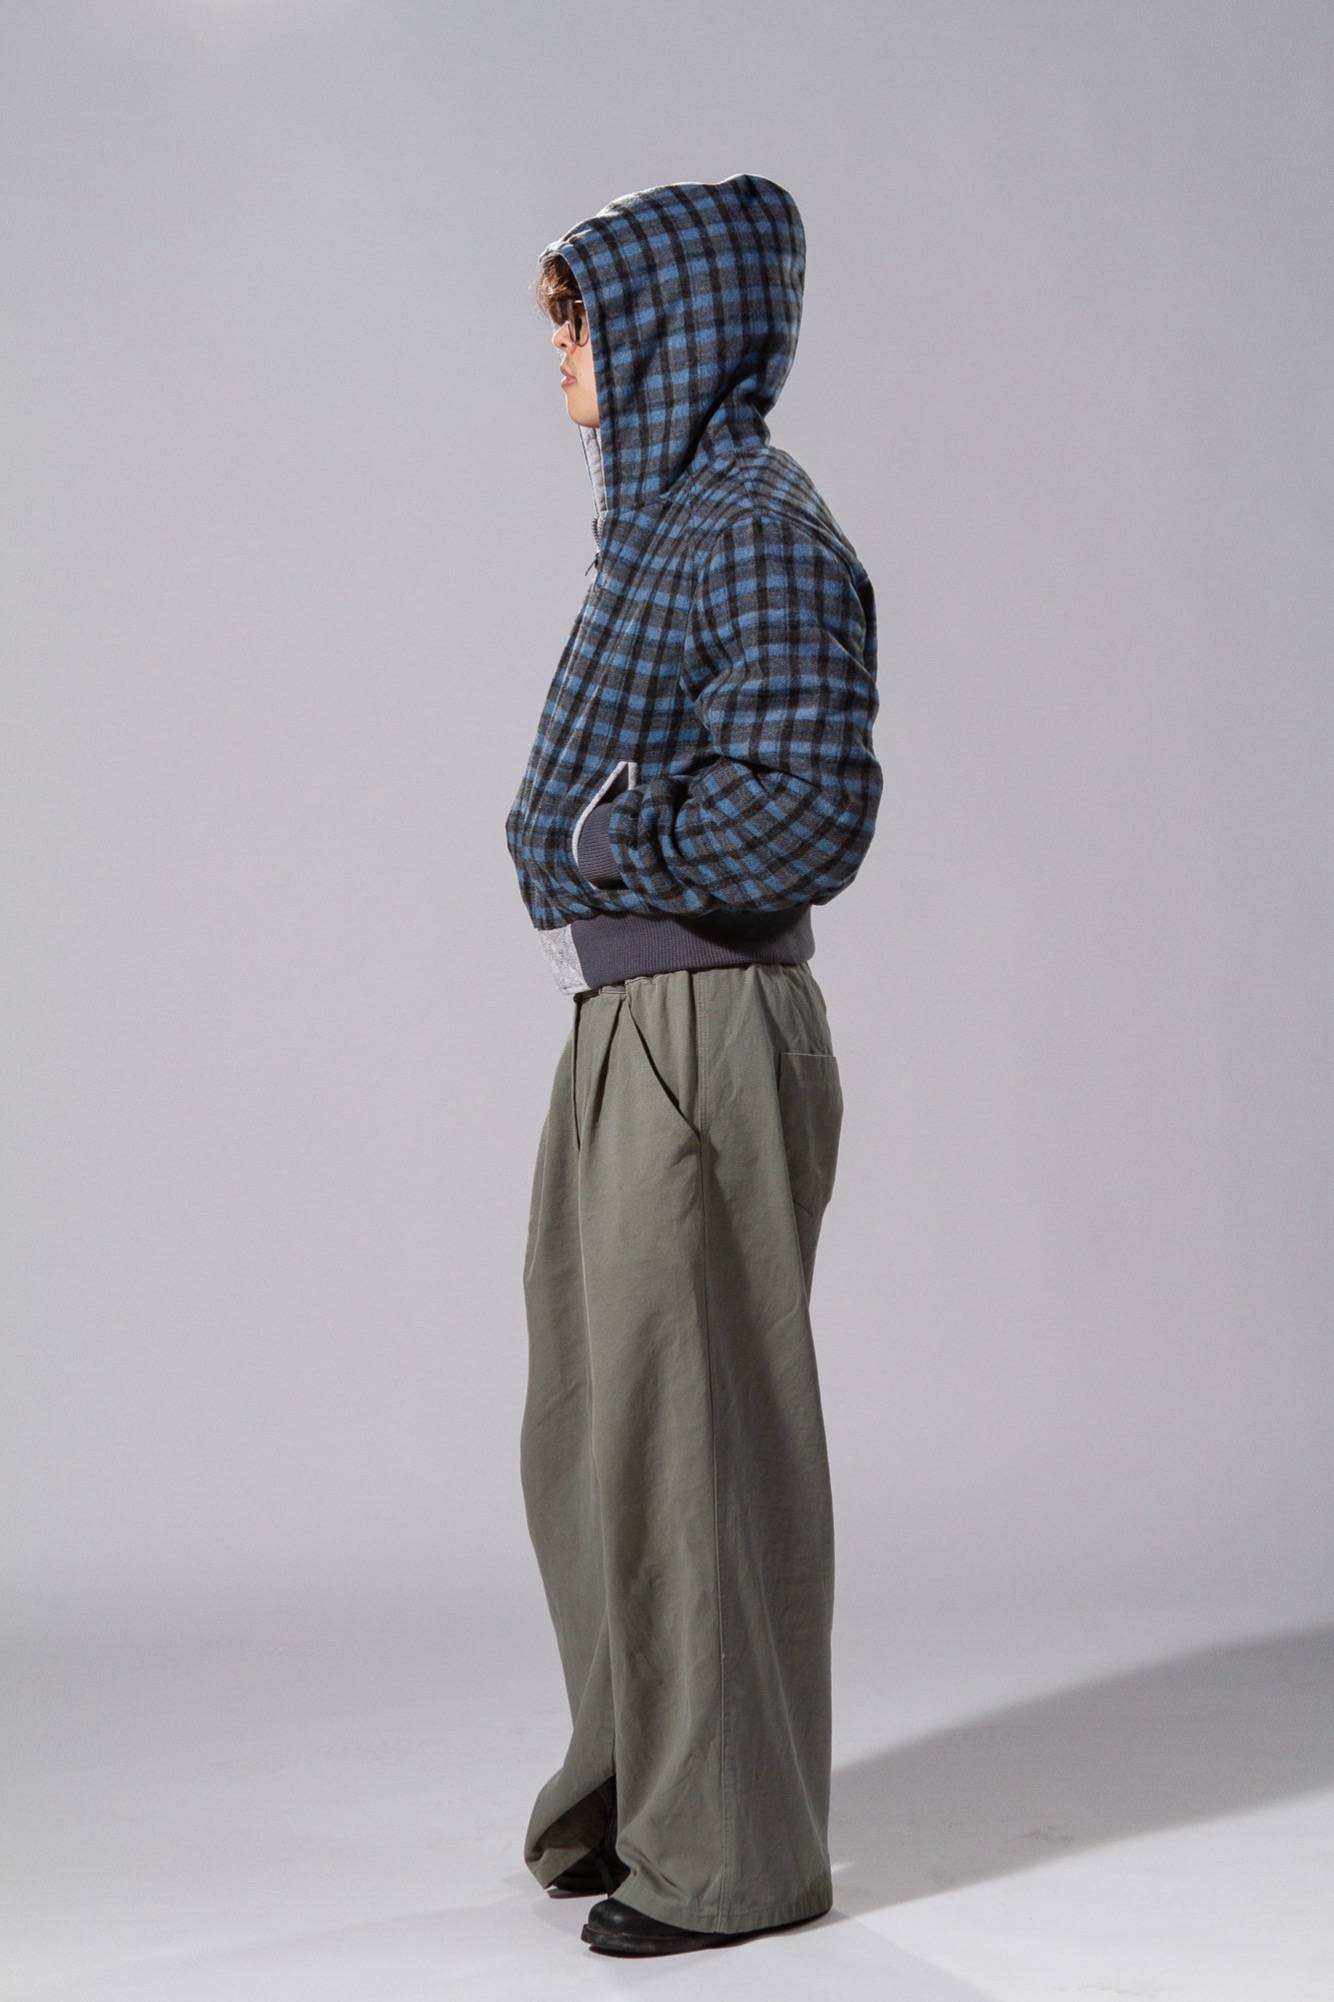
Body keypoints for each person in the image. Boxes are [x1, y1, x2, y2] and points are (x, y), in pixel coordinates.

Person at [505, 173, 883, 1958]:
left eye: (580, 320)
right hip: (625, 1025)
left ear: (673, 323)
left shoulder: (755, 524)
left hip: (702, 1030)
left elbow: (807, 809)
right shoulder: (665, 522)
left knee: (697, 1444)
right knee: (596, 1437)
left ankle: (730, 1860)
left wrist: (606, 834)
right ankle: (638, 1793)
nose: (560, 355)